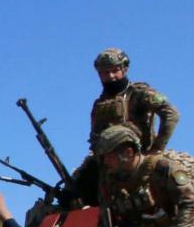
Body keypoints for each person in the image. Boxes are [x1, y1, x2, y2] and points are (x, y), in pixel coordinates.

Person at [66, 46, 181, 207]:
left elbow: (171, 114)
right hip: (109, 169)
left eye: (115, 70)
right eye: (105, 72)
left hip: (136, 163)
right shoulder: (100, 103)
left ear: (125, 69)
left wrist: (157, 148)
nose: (111, 76)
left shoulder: (139, 93)